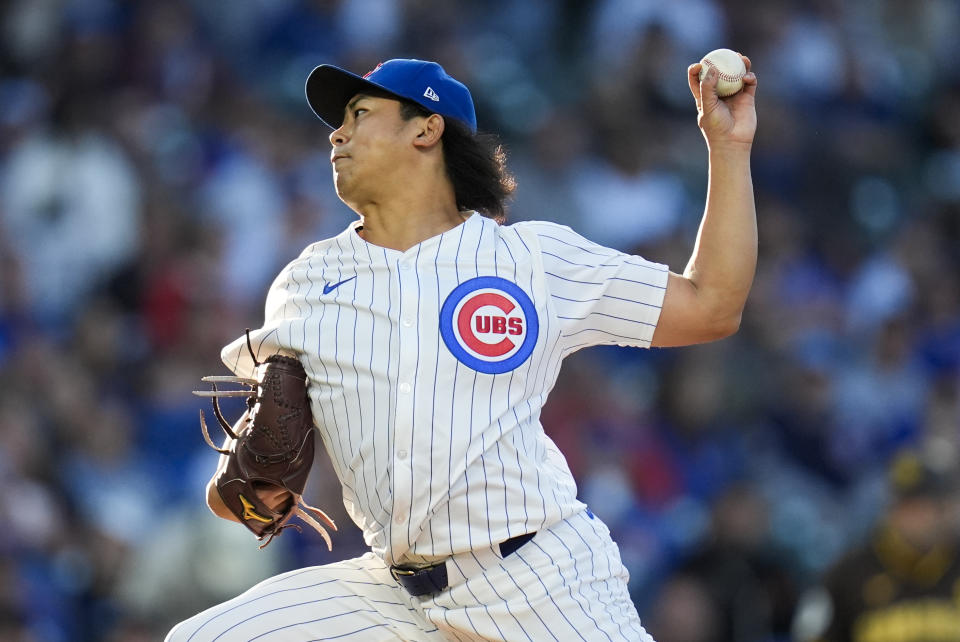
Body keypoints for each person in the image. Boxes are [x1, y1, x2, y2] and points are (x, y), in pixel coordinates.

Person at [166, 55, 758, 641]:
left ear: (426, 128)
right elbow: (250, 479)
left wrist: (726, 149)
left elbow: (712, 304)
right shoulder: (306, 283)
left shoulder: (530, 260)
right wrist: (246, 488)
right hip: (393, 596)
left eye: (359, 113)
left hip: (539, 581)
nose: (337, 133)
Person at [794, 450, 960, 642]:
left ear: (946, 508)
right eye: (907, 506)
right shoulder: (848, 574)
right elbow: (814, 632)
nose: (917, 518)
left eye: (926, 506)